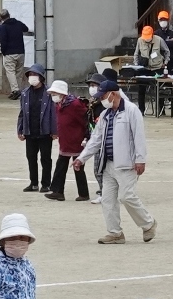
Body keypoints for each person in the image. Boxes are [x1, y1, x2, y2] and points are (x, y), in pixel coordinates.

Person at [85, 80, 156, 244]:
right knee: (107, 199)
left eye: (103, 96)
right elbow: (96, 139)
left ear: (113, 94)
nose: (101, 99)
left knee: (126, 197)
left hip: (127, 163)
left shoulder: (132, 110)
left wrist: (140, 159)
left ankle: (149, 224)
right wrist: (82, 158)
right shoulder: (105, 114)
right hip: (108, 163)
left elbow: (139, 136)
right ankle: (115, 233)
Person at [48, 78, 93, 203]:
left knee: (78, 168)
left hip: (77, 141)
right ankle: (58, 192)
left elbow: (85, 120)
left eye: (55, 94)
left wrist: (86, 136)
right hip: (65, 141)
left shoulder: (75, 105)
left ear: (62, 94)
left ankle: (82, 194)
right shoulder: (58, 105)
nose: (53, 96)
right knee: (61, 167)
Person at [17, 66, 56, 192]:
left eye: (35, 74)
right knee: (31, 157)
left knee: (45, 158)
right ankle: (33, 183)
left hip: (45, 132)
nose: (32, 77)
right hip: (30, 131)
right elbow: (22, 112)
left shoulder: (49, 92)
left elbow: (53, 113)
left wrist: (55, 130)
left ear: (41, 77)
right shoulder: (25, 93)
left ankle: (46, 184)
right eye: (30, 74)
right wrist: (20, 129)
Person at [0, 8, 32, 98]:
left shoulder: (3, 27)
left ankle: (15, 90)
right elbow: (25, 28)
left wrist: (3, 51)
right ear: (9, 15)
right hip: (21, 52)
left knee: (10, 72)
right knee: (18, 72)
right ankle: (16, 92)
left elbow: (3, 41)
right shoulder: (18, 23)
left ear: (1, 18)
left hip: (9, 53)